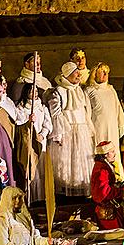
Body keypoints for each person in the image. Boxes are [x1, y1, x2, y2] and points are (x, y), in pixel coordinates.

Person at [49, 61, 96, 195]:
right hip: (67, 131)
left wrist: (88, 128)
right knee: (67, 163)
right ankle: (66, 190)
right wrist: (60, 133)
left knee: (81, 161)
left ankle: (79, 188)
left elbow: (85, 111)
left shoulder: (80, 90)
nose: (78, 74)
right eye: (75, 72)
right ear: (67, 74)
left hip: (81, 130)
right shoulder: (59, 91)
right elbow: (56, 113)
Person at [87, 62, 124, 180]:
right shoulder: (89, 90)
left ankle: (117, 180)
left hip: (112, 128)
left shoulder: (111, 89)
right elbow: (88, 112)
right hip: (98, 128)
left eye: (107, 72)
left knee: (114, 154)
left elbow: (117, 108)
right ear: (95, 74)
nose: (105, 75)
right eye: (102, 72)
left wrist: (120, 125)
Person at [91, 140, 124, 230]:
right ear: (105, 155)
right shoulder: (101, 170)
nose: (114, 154)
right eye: (111, 152)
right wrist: (121, 190)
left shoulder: (104, 166)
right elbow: (104, 192)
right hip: (107, 212)